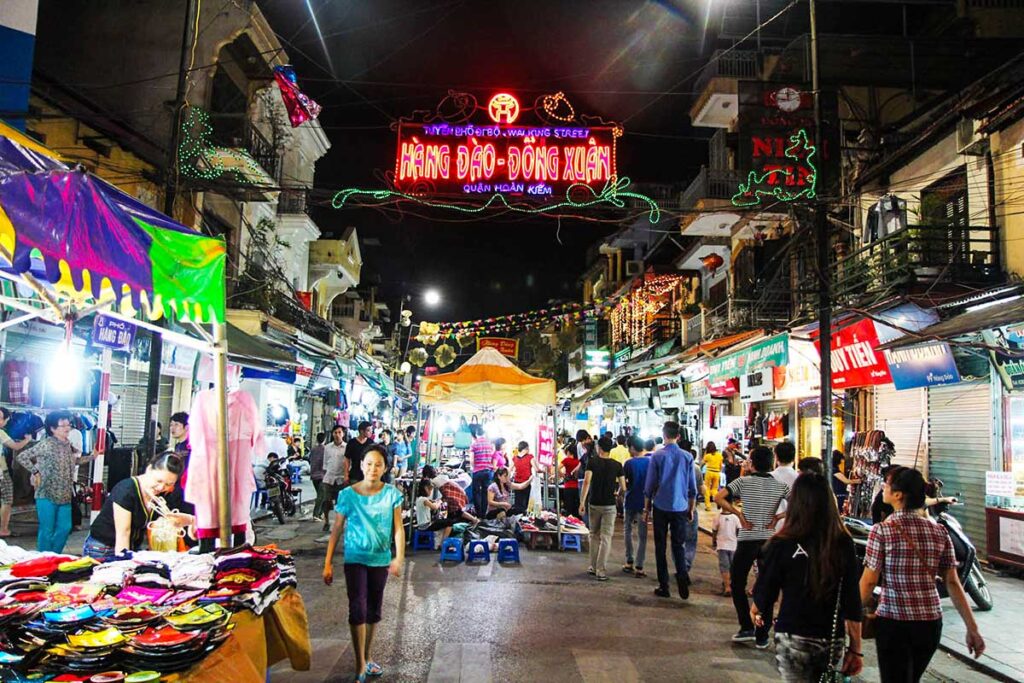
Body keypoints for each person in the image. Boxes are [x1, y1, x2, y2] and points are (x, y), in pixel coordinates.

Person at [860, 466, 985, 682]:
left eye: (887, 485)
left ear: (898, 495)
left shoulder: (882, 531)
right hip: (930, 623)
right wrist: (972, 628)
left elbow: (869, 581)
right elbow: (953, 583)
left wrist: (848, 613)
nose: (883, 488)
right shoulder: (939, 532)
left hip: (893, 621)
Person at [753, 473, 864, 682]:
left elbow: (766, 591)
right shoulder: (843, 542)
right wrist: (856, 649)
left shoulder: (781, 543)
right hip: (831, 638)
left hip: (793, 635)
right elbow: (852, 601)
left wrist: (757, 610)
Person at [323, 445, 405, 683]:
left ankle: (368, 656)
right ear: (361, 465)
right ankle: (360, 663)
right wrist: (327, 562)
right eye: (369, 463)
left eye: (378, 464)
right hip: (355, 559)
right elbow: (337, 528)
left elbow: (398, 528)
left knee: (373, 611)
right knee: (357, 608)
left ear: (385, 468)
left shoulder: (392, 494)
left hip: (380, 560)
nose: (373, 468)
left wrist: (398, 557)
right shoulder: (347, 495)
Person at [714, 445, 790, 647]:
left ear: (753, 464)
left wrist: (738, 514)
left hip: (748, 539)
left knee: (737, 583)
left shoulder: (743, 482)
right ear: (771, 462)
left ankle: (746, 625)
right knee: (768, 586)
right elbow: (800, 506)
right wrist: (778, 517)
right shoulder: (780, 486)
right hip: (769, 541)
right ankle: (762, 633)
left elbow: (718, 497)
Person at [83, 451, 194, 560]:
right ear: (149, 469)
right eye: (159, 481)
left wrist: (190, 520)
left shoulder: (164, 495)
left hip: (132, 548)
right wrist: (124, 565)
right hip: (102, 549)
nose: (161, 487)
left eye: (168, 484)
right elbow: (123, 534)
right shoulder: (127, 490)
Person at [17, 411, 100, 553]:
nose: (67, 428)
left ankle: (54, 556)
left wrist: (93, 457)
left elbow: (74, 461)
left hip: (65, 494)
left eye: (68, 425)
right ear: (52, 429)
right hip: (46, 493)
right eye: (62, 426)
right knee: (47, 529)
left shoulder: (68, 444)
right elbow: (22, 456)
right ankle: (43, 559)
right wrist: (35, 472)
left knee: (65, 527)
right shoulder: (46, 444)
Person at [643, 421, 698, 599]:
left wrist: (646, 508)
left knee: (661, 547)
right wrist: (691, 508)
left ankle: (664, 585)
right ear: (679, 436)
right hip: (681, 506)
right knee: (678, 545)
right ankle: (682, 577)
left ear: (664, 434)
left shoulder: (657, 456)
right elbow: (692, 487)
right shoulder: (687, 457)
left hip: (661, 506)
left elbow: (649, 485)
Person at [578, 435, 625, 581]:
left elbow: (586, 482)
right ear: (610, 449)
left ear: (599, 448)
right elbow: (624, 487)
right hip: (609, 505)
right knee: (606, 538)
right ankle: (601, 570)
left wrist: (581, 503)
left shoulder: (592, 462)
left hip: (594, 503)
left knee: (593, 535)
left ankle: (592, 566)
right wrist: (618, 494)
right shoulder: (617, 465)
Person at [0, 407, 32, 538]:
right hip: (1, 472)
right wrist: (27, 440)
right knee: (7, 500)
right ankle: (3, 529)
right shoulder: (1, 433)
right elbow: (16, 446)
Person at [622, 435, 650, 577]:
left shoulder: (629, 464)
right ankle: (640, 565)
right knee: (642, 534)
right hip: (645, 502)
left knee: (627, 530)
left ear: (632, 448)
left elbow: (624, 483)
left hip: (630, 500)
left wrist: (620, 493)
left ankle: (629, 560)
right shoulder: (650, 462)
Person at [320, 425, 348, 532]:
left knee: (340, 503)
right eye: (335, 432)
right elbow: (325, 463)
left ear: (343, 434)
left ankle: (339, 524)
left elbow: (348, 463)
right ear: (332, 434)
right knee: (326, 502)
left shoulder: (347, 447)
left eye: (339, 432)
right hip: (329, 478)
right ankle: (326, 521)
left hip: (341, 479)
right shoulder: (327, 447)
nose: (337, 435)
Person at [685, 441, 706, 573]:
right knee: (690, 538)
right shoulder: (695, 468)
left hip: (674, 507)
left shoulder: (671, 464)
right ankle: (686, 564)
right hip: (690, 507)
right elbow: (700, 490)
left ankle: (680, 564)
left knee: (678, 538)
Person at [712, 508, 740, 597]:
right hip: (733, 546)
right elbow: (739, 530)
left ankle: (727, 587)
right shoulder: (736, 517)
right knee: (733, 567)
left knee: (724, 567)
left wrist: (714, 541)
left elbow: (714, 530)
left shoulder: (717, 516)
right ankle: (732, 585)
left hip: (722, 546)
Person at [470, 425, 494, 517]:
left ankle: (478, 513)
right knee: (485, 492)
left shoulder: (474, 444)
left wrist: (474, 467)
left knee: (476, 492)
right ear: (484, 433)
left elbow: (471, 460)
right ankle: (484, 513)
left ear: (476, 434)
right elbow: (492, 457)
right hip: (487, 471)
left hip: (477, 471)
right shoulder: (489, 444)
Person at [511, 440, 536, 511]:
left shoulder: (515, 458)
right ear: (526, 448)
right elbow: (537, 469)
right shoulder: (530, 457)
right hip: (526, 482)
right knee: (525, 503)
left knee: (518, 502)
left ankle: (517, 517)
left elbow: (510, 469)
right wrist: (543, 471)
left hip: (516, 483)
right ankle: (524, 518)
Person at [308, 432, 327, 522]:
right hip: (322, 475)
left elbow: (310, 460)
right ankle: (316, 514)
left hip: (314, 475)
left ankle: (320, 514)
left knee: (321, 495)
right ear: (325, 439)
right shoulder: (326, 449)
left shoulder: (313, 449)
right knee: (321, 496)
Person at [560, 442, 581, 517]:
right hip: (577, 487)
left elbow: (557, 468)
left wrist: (563, 476)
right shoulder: (579, 461)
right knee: (576, 508)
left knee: (568, 508)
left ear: (569, 452)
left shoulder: (566, 460)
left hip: (568, 486)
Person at [701, 442, 723, 511]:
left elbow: (702, 462)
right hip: (717, 473)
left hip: (709, 472)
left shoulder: (707, 455)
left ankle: (708, 506)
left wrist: (705, 452)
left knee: (707, 488)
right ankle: (718, 501)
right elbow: (721, 465)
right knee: (715, 489)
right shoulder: (719, 455)